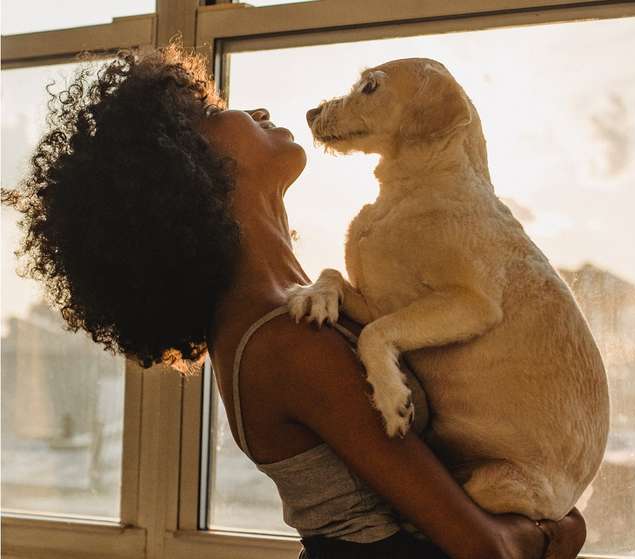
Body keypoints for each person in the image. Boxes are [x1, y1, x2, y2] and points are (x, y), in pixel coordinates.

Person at [2, 42, 586, 559]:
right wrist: (560, 529)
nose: (252, 110)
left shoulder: (299, 307)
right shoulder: (288, 341)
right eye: (210, 113)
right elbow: (485, 549)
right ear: (185, 167)